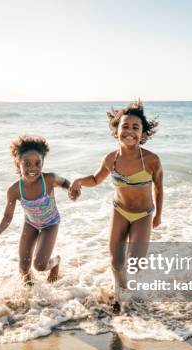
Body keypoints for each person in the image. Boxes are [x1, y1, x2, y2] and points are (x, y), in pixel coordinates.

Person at [69, 101, 163, 312]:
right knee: (116, 261)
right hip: (119, 210)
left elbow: (159, 187)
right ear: (116, 131)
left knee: (135, 263)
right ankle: (120, 297)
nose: (129, 131)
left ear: (143, 134)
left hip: (143, 215)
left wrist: (158, 215)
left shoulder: (151, 160)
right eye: (125, 126)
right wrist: (78, 181)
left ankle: (129, 290)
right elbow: (95, 179)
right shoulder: (111, 159)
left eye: (135, 127)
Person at [0, 135, 73, 285]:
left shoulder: (49, 179)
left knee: (40, 265)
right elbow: (7, 216)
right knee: (23, 267)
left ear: (43, 162)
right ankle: (29, 294)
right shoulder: (14, 190)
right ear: (18, 163)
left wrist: (71, 190)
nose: (33, 168)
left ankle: (55, 262)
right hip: (30, 224)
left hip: (50, 224)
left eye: (38, 163)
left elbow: (65, 183)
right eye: (27, 163)